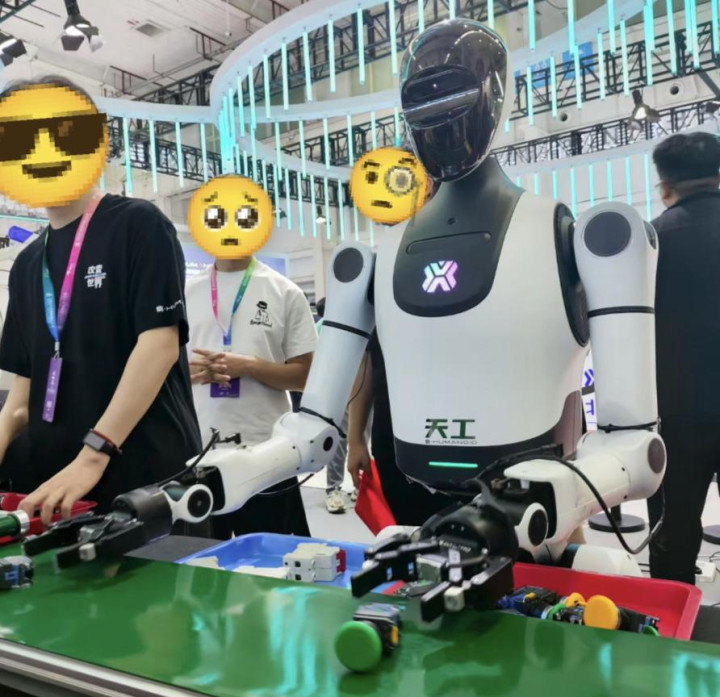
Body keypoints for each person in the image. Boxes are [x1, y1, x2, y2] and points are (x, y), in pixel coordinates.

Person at [0, 76, 202, 524]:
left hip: (144, 475)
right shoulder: (27, 264)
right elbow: (22, 395)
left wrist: (95, 451)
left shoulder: (138, 224)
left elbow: (159, 345)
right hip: (57, 486)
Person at [186, 242, 317, 539]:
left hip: (267, 452)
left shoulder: (283, 290)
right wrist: (195, 371)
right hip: (200, 453)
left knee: (270, 556)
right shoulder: (187, 292)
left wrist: (251, 366)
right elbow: (163, 371)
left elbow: (305, 376)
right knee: (203, 560)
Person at [647, 131, 720, 584]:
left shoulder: (651, 240)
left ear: (665, 185)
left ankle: (672, 616)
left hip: (675, 414)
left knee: (672, 530)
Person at [315, 297, 353, 514]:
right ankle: (334, 488)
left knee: (363, 439)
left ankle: (361, 486)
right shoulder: (326, 327)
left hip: (365, 385)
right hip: (339, 387)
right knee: (340, 439)